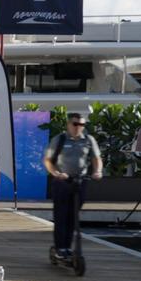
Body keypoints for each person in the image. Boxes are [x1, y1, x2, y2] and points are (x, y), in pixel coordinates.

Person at [43, 111, 103, 259]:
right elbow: (48, 160)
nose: (78, 127)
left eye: (81, 124)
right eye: (75, 124)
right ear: (69, 125)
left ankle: (67, 248)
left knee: (73, 217)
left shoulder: (88, 140)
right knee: (61, 216)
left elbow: (96, 158)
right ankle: (59, 248)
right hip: (62, 181)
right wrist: (57, 174)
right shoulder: (60, 139)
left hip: (80, 181)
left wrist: (98, 171)